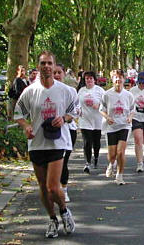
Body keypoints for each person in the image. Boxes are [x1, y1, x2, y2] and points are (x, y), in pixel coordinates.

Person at [14, 51, 76, 238]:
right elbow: (18, 114)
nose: (47, 66)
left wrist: (64, 118)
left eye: (50, 63)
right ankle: (52, 219)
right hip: (36, 143)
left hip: (58, 142)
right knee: (42, 186)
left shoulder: (65, 90)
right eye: (43, 63)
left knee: (52, 187)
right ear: (38, 66)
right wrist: (26, 126)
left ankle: (64, 211)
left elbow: (76, 110)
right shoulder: (30, 91)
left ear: (54, 65)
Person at [100, 69, 134, 185]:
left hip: (124, 125)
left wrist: (130, 117)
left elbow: (132, 110)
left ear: (124, 79)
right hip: (111, 126)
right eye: (115, 77)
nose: (118, 79)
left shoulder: (128, 95)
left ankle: (120, 176)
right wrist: (107, 117)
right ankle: (111, 163)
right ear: (112, 79)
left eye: (120, 77)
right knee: (112, 155)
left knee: (120, 152)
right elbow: (102, 110)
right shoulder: (107, 94)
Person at [53, 64, 78, 202]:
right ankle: (53, 187)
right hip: (49, 132)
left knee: (63, 161)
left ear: (64, 74)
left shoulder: (71, 91)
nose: (56, 75)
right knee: (52, 161)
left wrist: (66, 118)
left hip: (68, 130)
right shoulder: (46, 90)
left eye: (59, 72)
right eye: (54, 72)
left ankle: (64, 189)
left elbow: (77, 109)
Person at [78, 71, 105, 173]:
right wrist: (78, 111)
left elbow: (105, 103)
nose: (89, 80)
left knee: (96, 142)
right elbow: (77, 103)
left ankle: (96, 158)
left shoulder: (100, 90)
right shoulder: (81, 91)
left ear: (94, 80)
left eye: (90, 78)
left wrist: (99, 106)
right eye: (87, 79)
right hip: (84, 119)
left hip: (97, 120)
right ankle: (87, 163)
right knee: (87, 142)